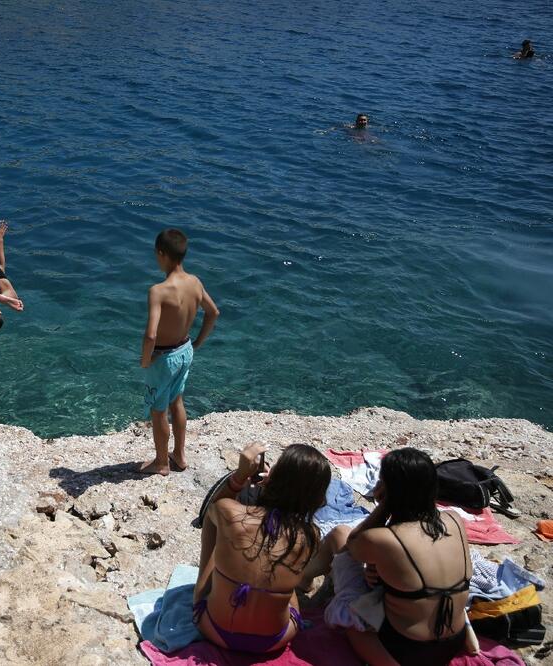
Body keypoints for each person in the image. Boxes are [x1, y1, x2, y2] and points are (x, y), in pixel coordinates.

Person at [303, 448, 472, 666]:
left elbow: (352, 546)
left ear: (389, 490)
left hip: (404, 650)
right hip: (452, 643)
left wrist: (384, 506)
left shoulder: (386, 539)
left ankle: (303, 578)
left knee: (341, 539)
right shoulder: (455, 519)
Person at [194, 443, 331, 653]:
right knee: (284, 577)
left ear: (275, 477)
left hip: (214, 629)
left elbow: (214, 507)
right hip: (273, 641)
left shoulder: (231, 515)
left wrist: (240, 476)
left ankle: (200, 592)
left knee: (217, 525)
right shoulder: (310, 535)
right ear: (317, 499)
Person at [138, 228, 219, 475]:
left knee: (158, 410)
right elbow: (213, 312)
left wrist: (145, 361)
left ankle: (161, 462)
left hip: (163, 358)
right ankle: (180, 456)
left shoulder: (158, 291)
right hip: (185, 350)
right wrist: (198, 342)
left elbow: (151, 335)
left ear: (161, 254)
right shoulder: (195, 282)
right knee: (177, 402)